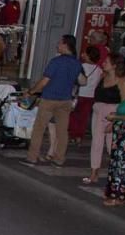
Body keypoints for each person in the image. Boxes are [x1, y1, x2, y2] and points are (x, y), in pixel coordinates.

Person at [21, 35, 83, 167]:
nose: (57, 46)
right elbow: (80, 81)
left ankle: (32, 157)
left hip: (49, 98)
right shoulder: (77, 63)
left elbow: (45, 81)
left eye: (59, 43)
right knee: (62, 131)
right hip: (65, 100)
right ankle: (59, 158)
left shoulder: (56, 61)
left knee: (39, 128)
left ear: (65, 45)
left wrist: (31, 91)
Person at [84, 56, 125, 185]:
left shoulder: (122, 82)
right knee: (96, 143)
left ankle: (118, 175)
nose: (103, 63)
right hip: (98, 111)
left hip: (113, 113)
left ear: (114, 65)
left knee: (112, 146)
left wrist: (114, 121)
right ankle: (94, 173)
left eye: (107, 62)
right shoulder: (103, 77)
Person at [103, 85, 125, 207]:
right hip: (120, 133)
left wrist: (115, 117)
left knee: (123, 165)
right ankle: (114, 192)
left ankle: (120, 195)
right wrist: (114, 121)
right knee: (116, 164)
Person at [69, 47, 102, 146]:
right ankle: (79, 136)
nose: (82, 54)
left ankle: (73, 135)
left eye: (84, 53)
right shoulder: (99, 69)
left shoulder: (80, 66)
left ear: (88, 55)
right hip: (91, 96)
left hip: (79, 94)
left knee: (73, 115)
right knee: (84, 117)